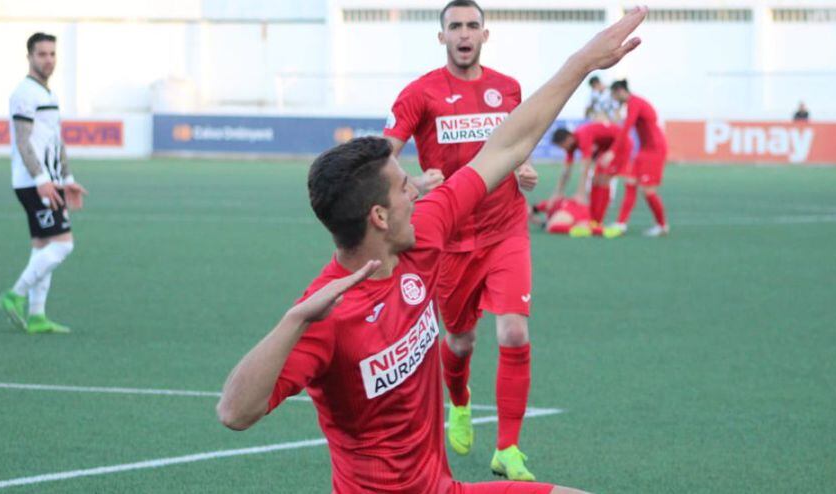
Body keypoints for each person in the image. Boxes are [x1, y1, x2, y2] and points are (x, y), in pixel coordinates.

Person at [216, 7, 647, 493]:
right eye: (405, 187)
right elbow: (234, 412)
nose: (417, 191)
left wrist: (582, 62)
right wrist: (293, 320)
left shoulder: (422, 233)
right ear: (379, 217)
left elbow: (505, 147)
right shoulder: (328, 315)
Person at [382, 0, 541, 480]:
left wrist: (523, 166)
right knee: (461, 339)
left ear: (485, 35)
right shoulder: (419, 93)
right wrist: (412, 182)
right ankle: (460, 400)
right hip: (450, 239)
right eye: (456, 27)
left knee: (514, 331)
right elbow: (379, 156)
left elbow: (517, 144)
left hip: (506, 226)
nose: (465, 33)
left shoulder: (508, 89)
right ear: (442, 37)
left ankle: (508, 448)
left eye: (473, 25)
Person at [0, 33, 88, 334]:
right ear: (29, 57)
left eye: (52, 54)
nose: (48, 60)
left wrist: (68, 179)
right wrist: (41, 180)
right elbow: (24, 142)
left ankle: (36, 316)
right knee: (63, 245)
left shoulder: (49, 94)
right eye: (42, 54)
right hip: (33, 183)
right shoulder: (23, 93)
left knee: (44, 245)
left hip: (50, 181)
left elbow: (55, 140)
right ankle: (15, 295)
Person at [602, 79, 669, 238]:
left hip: (655, 150)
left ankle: (662, 226)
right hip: (644, 150)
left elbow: (626, 128)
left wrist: (612, 151)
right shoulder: (631, 103)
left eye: (614, 95)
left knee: (648, 191)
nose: (614, 100)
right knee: (630, 183)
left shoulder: (635, 103)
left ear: (620, 91)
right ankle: (621, 223)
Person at [549, 116, 632, 234]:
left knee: (603, 179)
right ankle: (594, 219)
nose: (563, 149)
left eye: (562, 146)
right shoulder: (571, 146)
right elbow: (566, 171)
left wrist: (581, 193)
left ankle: (598, 220)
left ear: (568, 138)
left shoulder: (583, 135)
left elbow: (585, 166)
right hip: (607, 147)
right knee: (596, 180)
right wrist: (558, 192)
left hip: (620, 144)